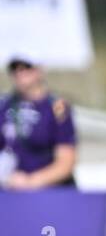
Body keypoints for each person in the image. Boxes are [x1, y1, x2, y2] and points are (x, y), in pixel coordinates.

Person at [0, 58, 77, 190]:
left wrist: (30, 182)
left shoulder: (57, 107)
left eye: (26, 66)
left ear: (39, 69)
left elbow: (66, 162)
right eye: (14, 68)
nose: (20, 72)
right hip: (9, 191)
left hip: (46, 192)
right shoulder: (4, 106)